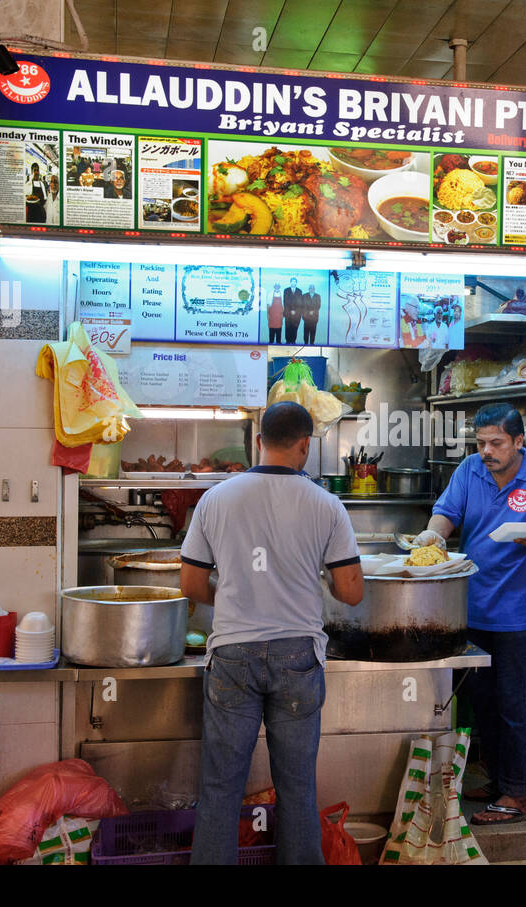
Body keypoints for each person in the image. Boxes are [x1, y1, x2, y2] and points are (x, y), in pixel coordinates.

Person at [180, 402, 363, 863]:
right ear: (305, 445)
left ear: (258, 440)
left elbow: (191, 584)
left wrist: (241, 594)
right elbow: (352, 592)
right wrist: (310, 577)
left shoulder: (216, 499)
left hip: (232, 658)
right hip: (298, 658)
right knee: (297, 786)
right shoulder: (327, 505)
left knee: (221, 786)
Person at [413, 403, 526, 824]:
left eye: (496, 443)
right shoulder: (469, 471)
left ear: (518, 442)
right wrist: (432, 535)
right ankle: (498, 781)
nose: (486, 451)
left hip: (519, 614)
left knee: (515, 705)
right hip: (471, 608)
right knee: (483, 704)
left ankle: (518, 796)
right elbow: (447, 514)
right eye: (481, 442)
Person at [282, 279, 304, 344]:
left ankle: (293, 342)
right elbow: (286, 301)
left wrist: (295, 310)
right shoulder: (286, 290)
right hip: (288, 313)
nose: (293, 283)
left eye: (294, 282)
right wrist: (291, 310)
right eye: (292, 281)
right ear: (290, 282)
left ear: (296, 283)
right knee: (288, 328)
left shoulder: (299, 291)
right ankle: (287, 342)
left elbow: (300, 302)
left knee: (295, 329)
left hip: (297, 314)